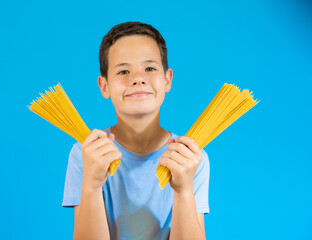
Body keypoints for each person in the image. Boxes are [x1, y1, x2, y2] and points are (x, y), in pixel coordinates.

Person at [62, 21, 210, 240]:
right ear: (104, 86)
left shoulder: (190, 157)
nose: (137, 79)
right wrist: (92, 185)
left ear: (168, 79)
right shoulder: (86, 153)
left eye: (150, 68)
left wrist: (184, 190)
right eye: (123, 71)